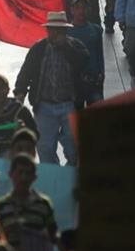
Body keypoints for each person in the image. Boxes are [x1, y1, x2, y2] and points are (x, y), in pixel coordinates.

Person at [14, 12, 88, 165]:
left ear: (65, 31)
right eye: (52, 30)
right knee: (45, 147)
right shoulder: (38, 49)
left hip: (69, 105)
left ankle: (70, 174)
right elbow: (26, 71)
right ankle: (53, 177)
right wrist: (20, 91)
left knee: (73, 148)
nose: (55, 34)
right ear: (47, 30)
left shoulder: (75, 46)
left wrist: (65, 47)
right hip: (44, 106)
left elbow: (83, 62)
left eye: (59, 30)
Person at [0, 154, 57, 251]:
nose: (24, 178)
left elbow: (53, 236)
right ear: (11, 174)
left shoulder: (44, 204)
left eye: (28, 173)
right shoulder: (0, 206)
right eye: (20, 172)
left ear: (34, 177)